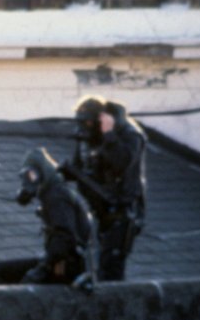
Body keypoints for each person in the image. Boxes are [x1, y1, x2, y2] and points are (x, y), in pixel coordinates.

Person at [60, 95, 147, 281]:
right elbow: (80, 167)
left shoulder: (129, 135)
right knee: (88, 263)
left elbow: (121, 163)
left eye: (89, 122)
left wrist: (109, 135)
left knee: (110, 268)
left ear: (102, 119)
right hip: (98, 211)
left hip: (121, 212)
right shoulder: (88, 137)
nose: (85, 128)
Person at [0, 147, 96, 289]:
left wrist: (43, 269)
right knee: (2, 271)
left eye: (32, 174)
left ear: (41, 172)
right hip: (63, 262)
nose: (30, 179)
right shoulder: (54, 191)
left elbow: (64, 237)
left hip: (65, 266)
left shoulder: (56, 196)